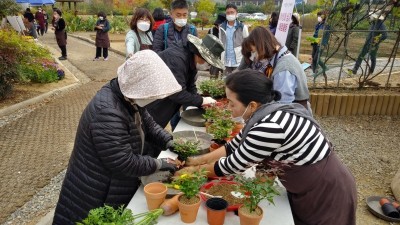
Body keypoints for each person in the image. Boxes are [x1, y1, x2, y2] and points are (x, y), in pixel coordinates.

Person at [182, 69, 357, 225]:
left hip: (325, 191)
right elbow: (233, 146)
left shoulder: (269, 126)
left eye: (231, 103)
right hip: (311, 183)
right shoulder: (267, 114)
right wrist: (196, 160)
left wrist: (191, 172)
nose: (228, 108)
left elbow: (231, 165)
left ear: (252, 105)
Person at [52, 50, 182, 225]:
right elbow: (123, 161)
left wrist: (168, 141)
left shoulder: (126, 96)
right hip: (96, 189)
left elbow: (149, 125)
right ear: (138, 83)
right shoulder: (108, 112)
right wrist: (158, 164)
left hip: (109, 182)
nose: (153, 98)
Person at [145, 34, 224, 129]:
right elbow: (176, 93)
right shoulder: (177, 59)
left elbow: (190, 86)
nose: (208, 66)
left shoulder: (190, 59)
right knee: (147, 132)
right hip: (151, 103)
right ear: (200, 54)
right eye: (208, 62)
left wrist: (198, 103)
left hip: (162, 103)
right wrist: (202, 100)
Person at [239, 26, 310, 110]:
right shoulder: (277, 55)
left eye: (254, 51)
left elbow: (282, 104)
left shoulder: (284, 68)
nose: (254, 56)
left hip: (291, 113)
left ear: (261, 46)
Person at [351, 10, 388, 75]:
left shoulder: (381, 25)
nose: (371, 17)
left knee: (372, 58)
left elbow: (385, 35)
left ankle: (371, 71)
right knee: (361, 55)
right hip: (367, 43)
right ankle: (355, 69)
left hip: (374, 44)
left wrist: (376, 41)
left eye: (372, 16)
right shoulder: (373, 23)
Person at [219, 4, 249, 75]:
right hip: (226, 62)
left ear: (236, 14)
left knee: (238, 83)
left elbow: (248, 45)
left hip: (239, 62)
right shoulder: (221, 27)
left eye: (232, 12)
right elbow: (220, 42)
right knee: (227, 83)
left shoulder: (243, 27)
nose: (230, 14)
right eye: (228, 13)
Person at [208, 13, 226, 78]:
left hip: (225, 58)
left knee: (224, 78)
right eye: (218, 25)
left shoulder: (227, 31)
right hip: (214, 58)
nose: (219, 27)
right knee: (213, 77)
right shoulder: (211, 31)